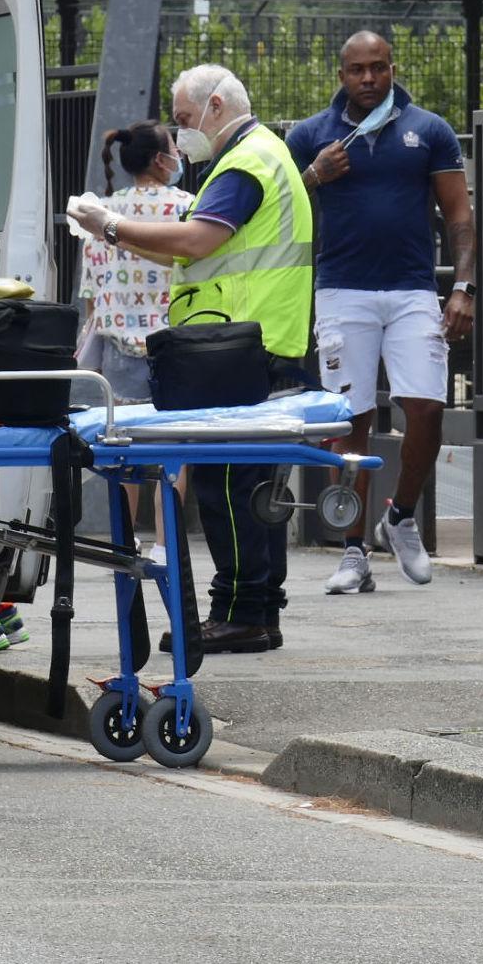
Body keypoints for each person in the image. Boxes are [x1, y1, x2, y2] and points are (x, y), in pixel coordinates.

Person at [68, 65, 313, 655]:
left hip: (240, 343)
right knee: (251, 484)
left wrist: (112, 227)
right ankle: (256, 607)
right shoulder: (258, 157)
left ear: (218, 105)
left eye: (184, 120)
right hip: (253, 339)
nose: (181, 137)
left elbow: (198, 240)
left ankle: (240, 611)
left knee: (227, 484)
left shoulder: (246, 161)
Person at [285, 31, 476, 596]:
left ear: (392, 69)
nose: (368, 79)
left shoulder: (430, 130)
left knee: (427, 406)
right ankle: (352, 549)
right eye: (356, 70)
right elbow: (275, 208)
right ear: (340, 74)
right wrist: (315, 174)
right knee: (350, 421)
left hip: (413, 291)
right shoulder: (312, 135)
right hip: (341, 291)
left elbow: (459, 215)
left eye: (378, 68)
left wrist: (463, 286)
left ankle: (401, 517)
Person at [73, 121, 196, 562]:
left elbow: (91, 293)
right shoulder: (187, 207)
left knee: (122, 450)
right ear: (161, 160)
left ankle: (125, 544)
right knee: (172, 450)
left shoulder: (100, 214)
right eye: (173, 149)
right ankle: (166, 545)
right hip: (174, 346)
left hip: (119, 347)